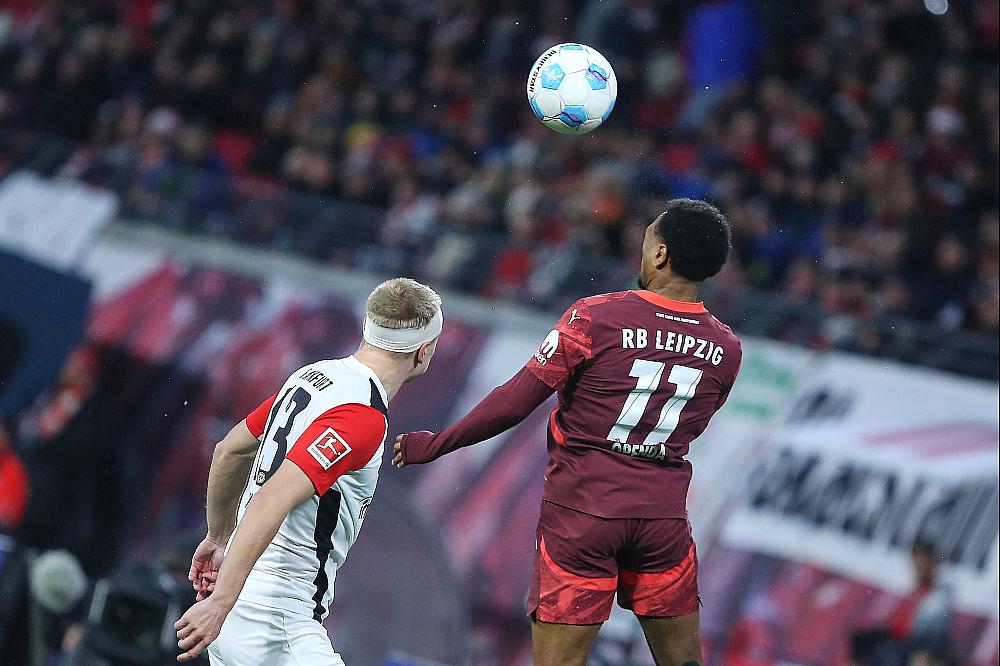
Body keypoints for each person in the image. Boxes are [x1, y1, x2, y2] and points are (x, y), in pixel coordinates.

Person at [394, 198, 742, 666]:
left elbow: (515, 402)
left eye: (647, 242)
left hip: (584, 513)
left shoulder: (596, 317)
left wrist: (433, 444)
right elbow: (695, 421)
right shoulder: (726, 347)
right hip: (661, 520)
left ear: (660, 255)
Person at [174, 278, 443, 664]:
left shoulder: (311, 378)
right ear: (424, 351)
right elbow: (272, 499)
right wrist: (220, 602)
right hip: (276, 619)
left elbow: (229, 451)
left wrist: (218, 537)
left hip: (239, 609)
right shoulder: (362, 416)